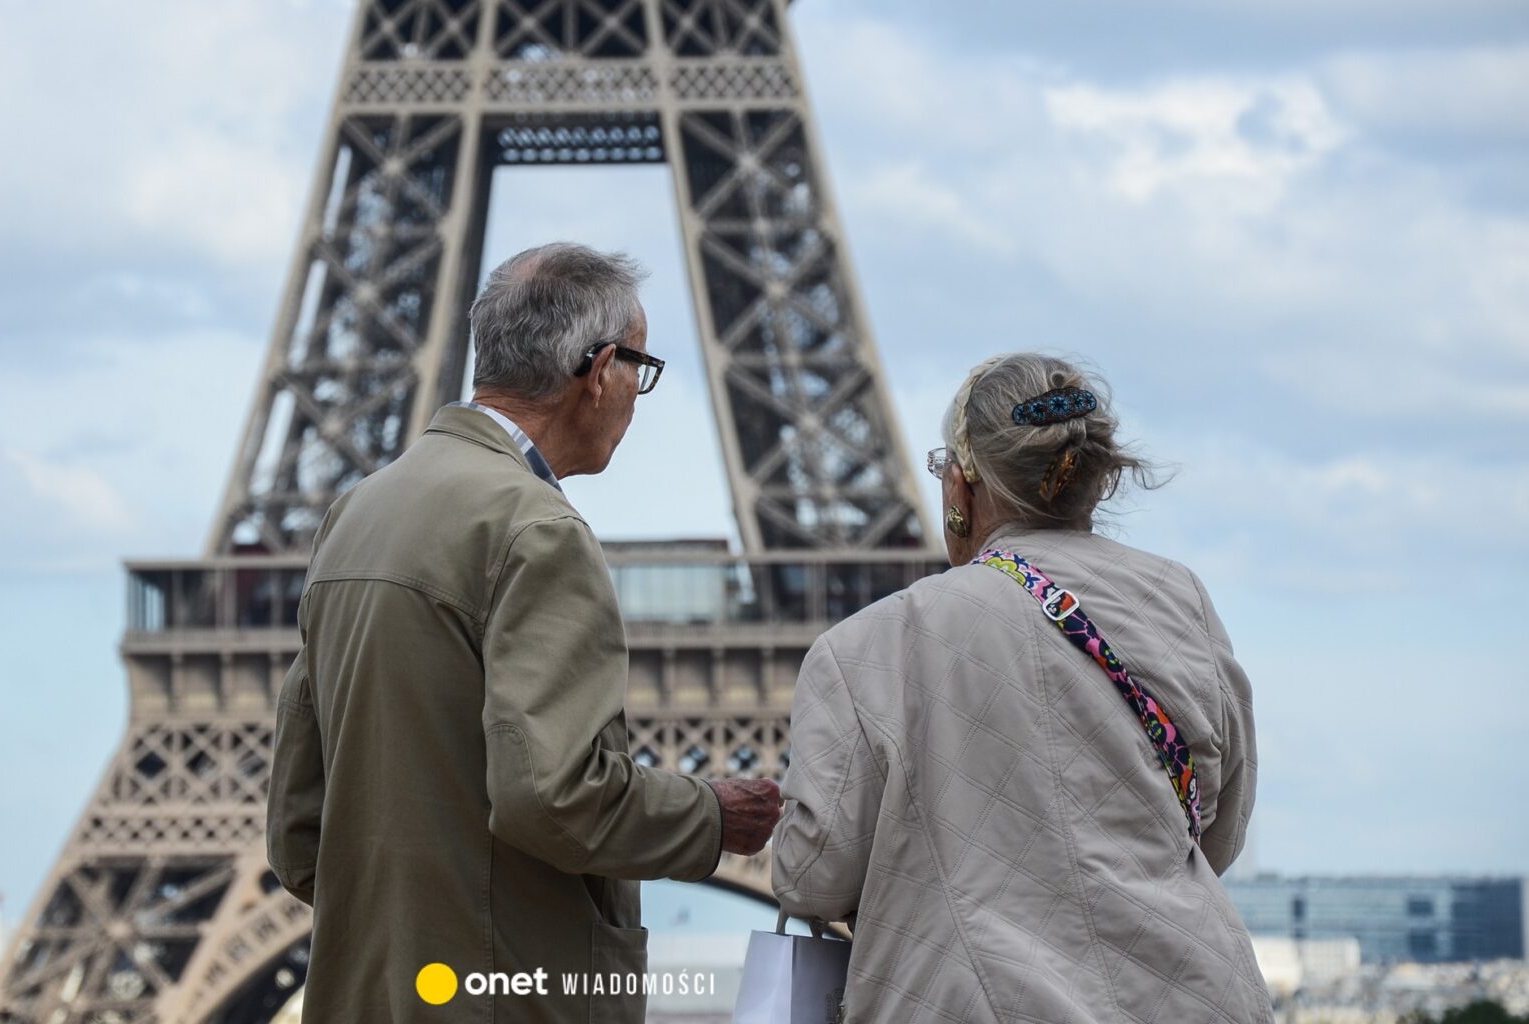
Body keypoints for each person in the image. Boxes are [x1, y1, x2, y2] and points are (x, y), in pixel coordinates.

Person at [267, 242, 783, 1023]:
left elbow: (298, 831)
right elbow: (554, 797)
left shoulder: (360, 511)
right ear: (600, 369)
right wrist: (711, 815)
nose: (636, 398)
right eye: (640, 372)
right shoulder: (535, 529)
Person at [771, 352, 1272, 1022]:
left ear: (960, 483)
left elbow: (813, 875)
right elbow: (1217, 831)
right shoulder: (1180, 598)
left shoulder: (867, 646)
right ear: (1093, 482)